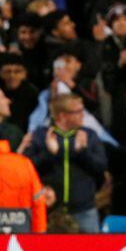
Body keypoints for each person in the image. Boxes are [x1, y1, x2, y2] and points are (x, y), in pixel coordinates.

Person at [26, 93, 108, 234]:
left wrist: (83, 152)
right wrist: (48, 153)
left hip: (84, 210)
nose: (83, 115)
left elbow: (101, 167)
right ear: (63, 116)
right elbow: (27, 169)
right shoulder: (41, 136)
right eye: (78, 111)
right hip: (50, 210)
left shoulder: (90, 135)